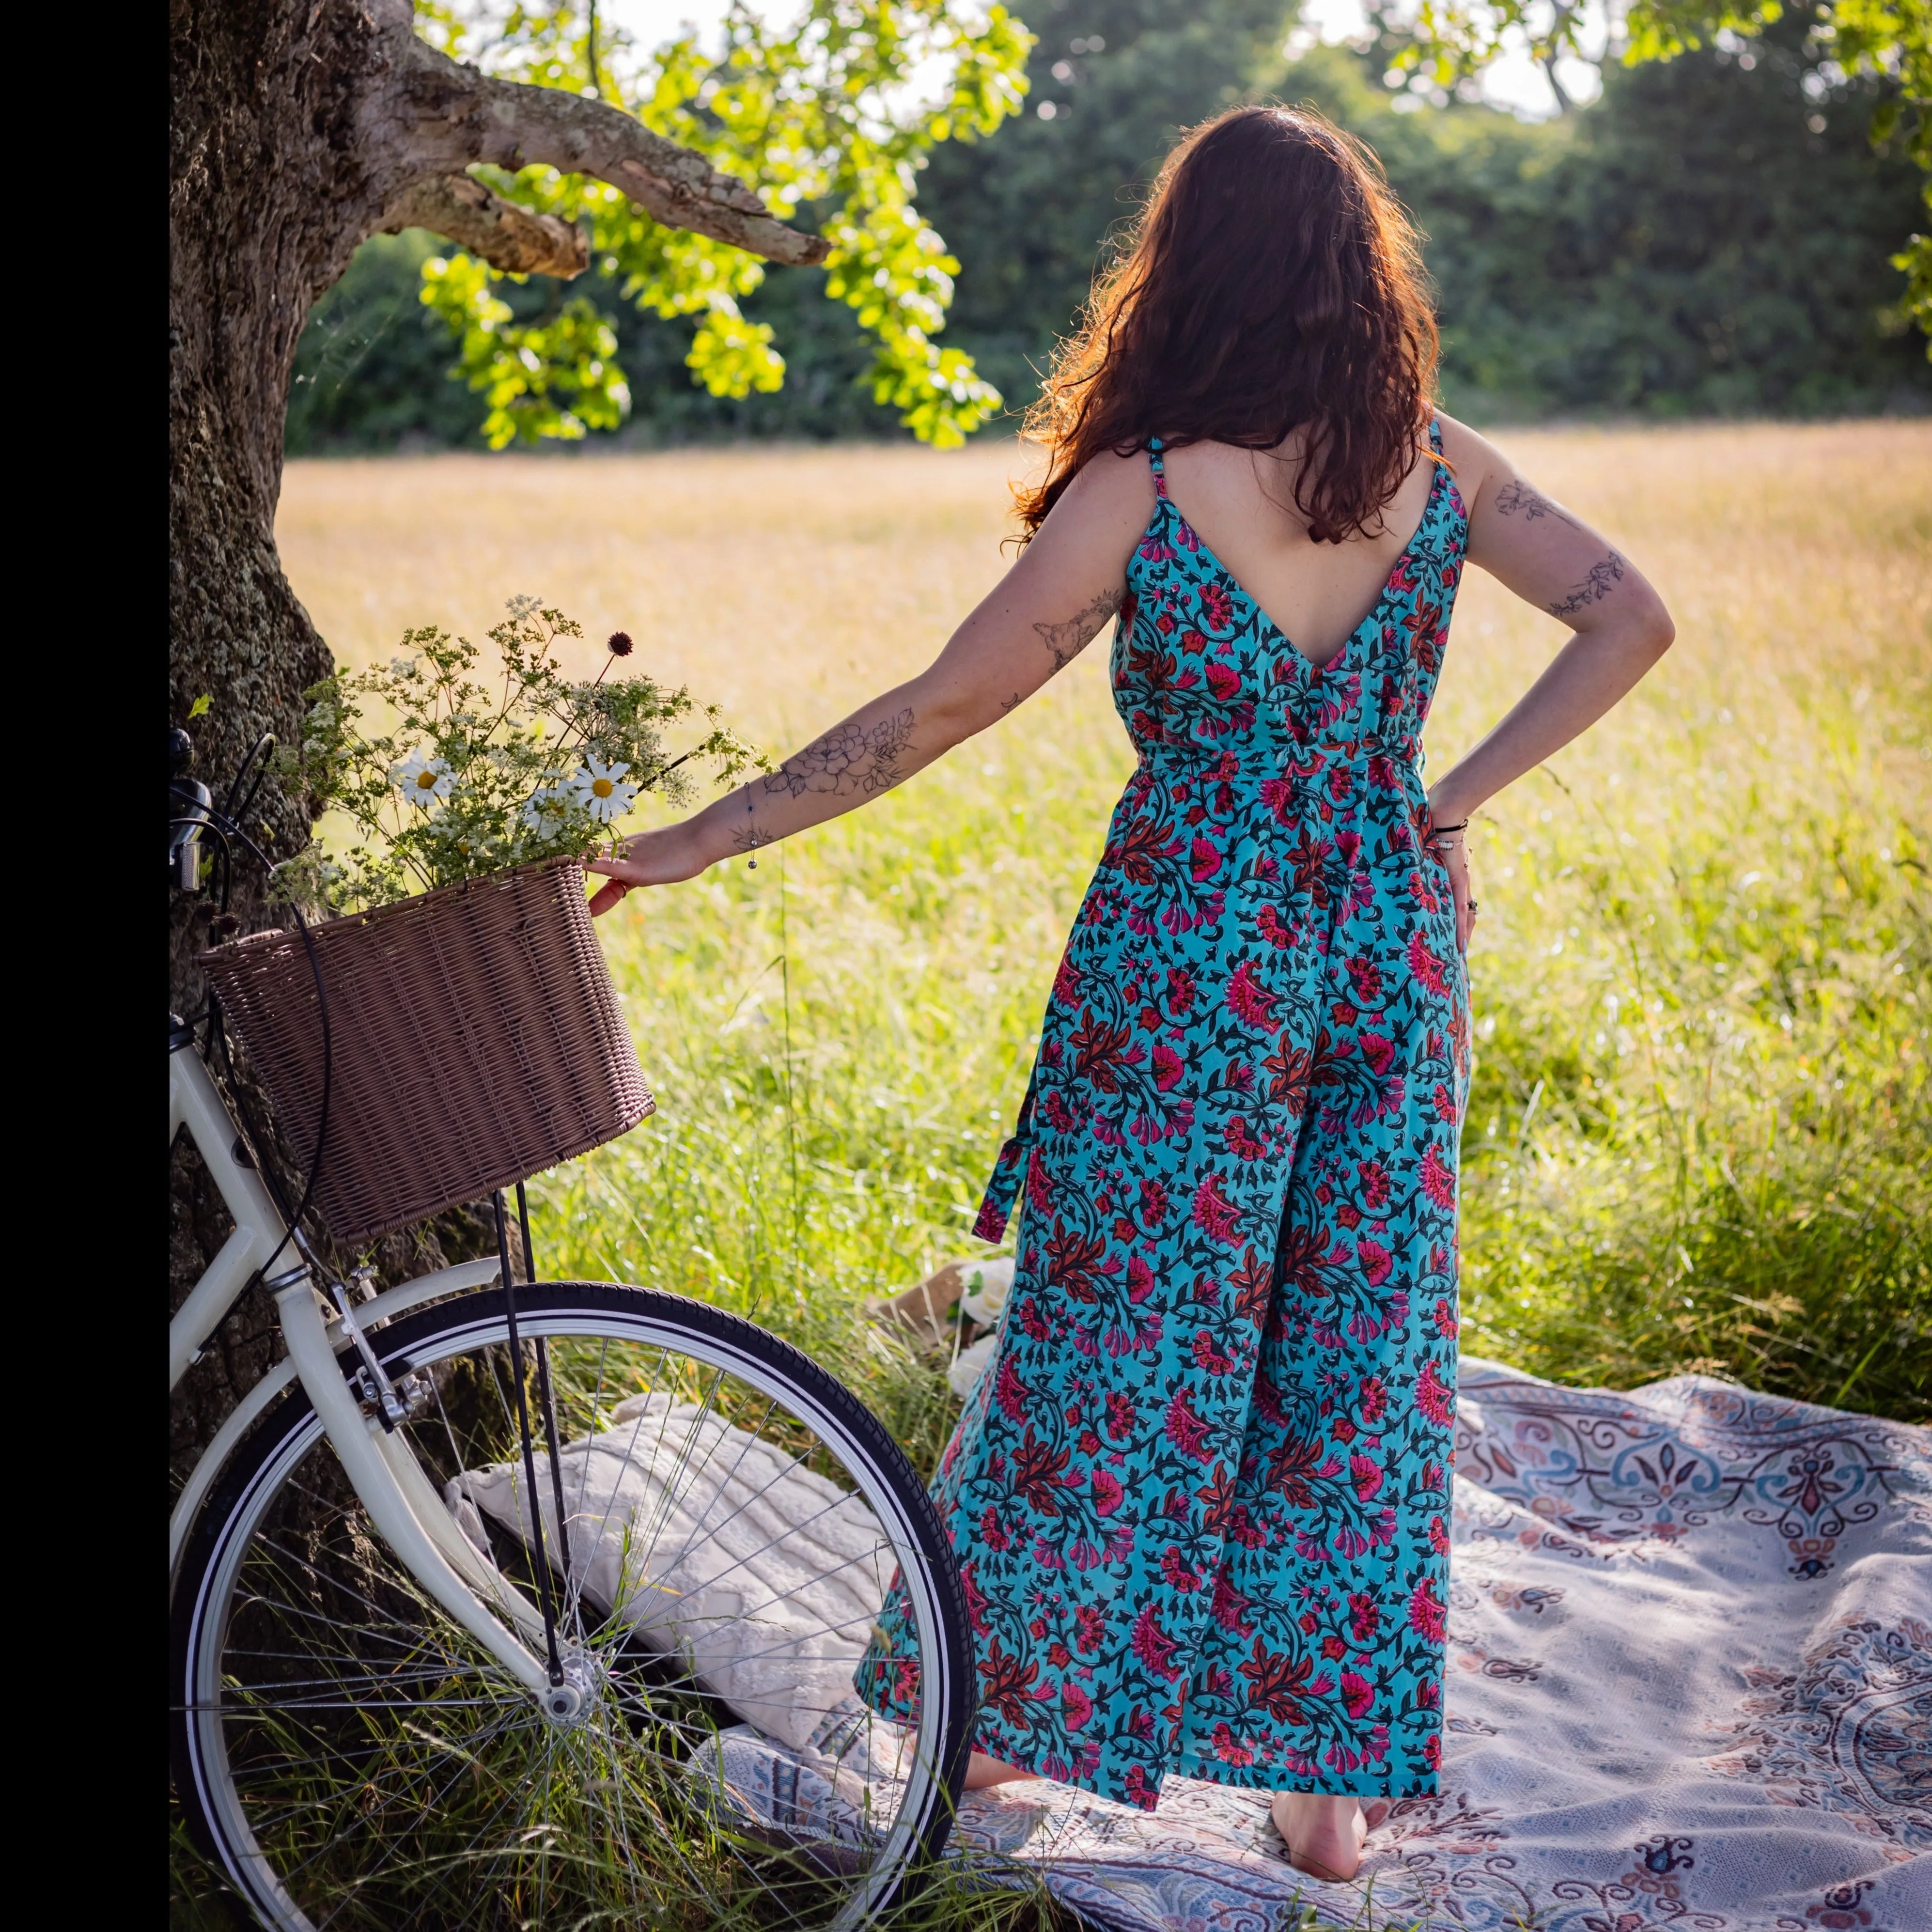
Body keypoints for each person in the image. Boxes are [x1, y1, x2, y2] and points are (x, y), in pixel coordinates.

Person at [587, 104, 1674, 1883]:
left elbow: (929, 714)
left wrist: (702, 834)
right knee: (1353, 1349)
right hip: (1384, 945)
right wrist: (1443, 801)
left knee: (1113, 1343)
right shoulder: (1439, 465)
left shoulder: (1148, 485)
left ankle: (1013, 1733)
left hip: (1182, 968)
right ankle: (1320, 1796)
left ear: (1186, 273)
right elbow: (1632, 618)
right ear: (1356, 277)